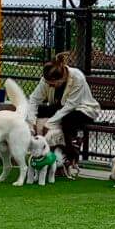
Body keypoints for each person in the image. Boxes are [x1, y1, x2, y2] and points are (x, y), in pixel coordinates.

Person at [27, 50, 100, 178]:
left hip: (82, 109)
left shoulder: (77, 78)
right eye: (48, 83)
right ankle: (39, 152)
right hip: (60, 107)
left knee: (67, 121)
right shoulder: (46, 80)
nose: (49, 85)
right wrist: (31, 121)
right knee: (40, 110)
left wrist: (49, 123)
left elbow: (70, 106)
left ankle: (70, 155)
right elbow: (33, 100)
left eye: (52, 84)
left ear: (61, 78)